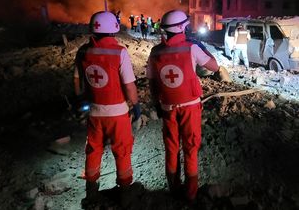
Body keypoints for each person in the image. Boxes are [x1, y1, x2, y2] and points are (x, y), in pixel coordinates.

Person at [146, 10, 219, 202]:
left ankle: (173, 189)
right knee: (190, 147)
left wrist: (157, 105)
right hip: (190, 107)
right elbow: (214, 66)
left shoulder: (155, 52)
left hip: (167, 107)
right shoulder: (191, 48)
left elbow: (152, 83)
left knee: (171, 148)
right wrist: (202, 46)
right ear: (180, 27)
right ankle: (191, 193)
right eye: (185, 25)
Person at [74, 11, 141, 205]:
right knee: (122, 150)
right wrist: (136, 105)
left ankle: (91, 192)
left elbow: (77, 79)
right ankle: (125, 192)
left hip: (94, 113)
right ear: (114, 29)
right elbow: (129, 85)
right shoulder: (119, 52)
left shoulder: (82, 51)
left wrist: (79, 100)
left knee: (93, 149)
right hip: (118, 114)